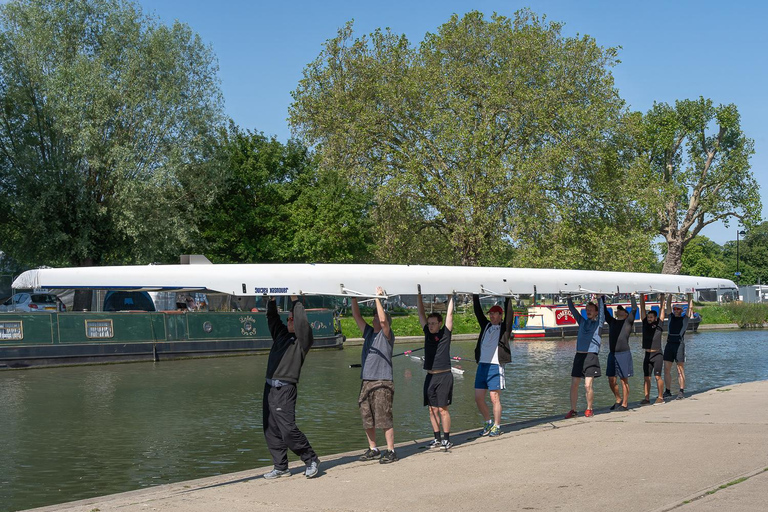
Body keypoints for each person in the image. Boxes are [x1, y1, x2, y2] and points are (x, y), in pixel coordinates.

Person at [262, 295, 320, 479]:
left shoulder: (303, 341)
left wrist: (295, 301)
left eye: (292, 319)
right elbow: (272, 319)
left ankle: (311, 459)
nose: (289, 322)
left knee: (287, 429)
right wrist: (271, 301)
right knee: (271, 429)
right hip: (269, 388)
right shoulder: (281, 335)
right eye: (288, 319)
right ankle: (281, 467)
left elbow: (302, 323)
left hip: (285, 389)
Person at [352, 287, 397, 463]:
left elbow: (384, 321)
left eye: (376, 316)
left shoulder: (386, 335)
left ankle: (391, 450)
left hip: (382, 381)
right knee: (367, 416)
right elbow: (357, 317)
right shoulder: (370, 333)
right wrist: (353, 298)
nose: (374, 318)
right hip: (366, 381)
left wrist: (377, 298)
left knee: (384, 417)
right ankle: (373, 448)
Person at [417, 288, 455, 450]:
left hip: (443, 376)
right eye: (429, 323)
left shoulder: (445, 334)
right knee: (432, 409)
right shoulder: (427, 333)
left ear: (439, 324)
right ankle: (437, 438)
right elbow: (420, 313)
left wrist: (451, 298)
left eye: (434, 323)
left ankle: (446, 439)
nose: (431, 326)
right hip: (430, 377)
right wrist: (418, 295)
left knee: (442, 409)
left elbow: (450, 316)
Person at [472, 294, 513, 437]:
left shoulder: (505, 329)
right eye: (491, 314)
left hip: (496, 366)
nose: (492, 317)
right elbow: (478, 312)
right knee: (478, 397)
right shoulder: (486, 326)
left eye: (495, 314)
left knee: (494, 397)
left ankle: (497, 425)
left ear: (501, 316)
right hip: (482, 365)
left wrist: (508, 298)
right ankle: (488, 422)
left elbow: (510, 316)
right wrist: (475, 296)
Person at [565, 295, 605, 418]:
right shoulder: (582, 321)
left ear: (596, 312)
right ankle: (573, 410)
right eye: (587, 309)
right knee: (574, 384)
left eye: (591, 309)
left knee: (587, 385)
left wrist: (599, 299)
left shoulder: (599, 323)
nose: (588, 311)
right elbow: (572, 310)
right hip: (579, 356)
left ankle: (589, 408)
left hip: (591, 356)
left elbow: (602, 311)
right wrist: (569, 298)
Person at [603, 295, 637, 411]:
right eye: (618, 310)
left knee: (624, 380)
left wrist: (632, 296)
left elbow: (634, 309)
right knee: (611, 380)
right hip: (612, 354)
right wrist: (601, 298)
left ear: (626, 314)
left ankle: (625, 404)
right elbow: (604, 311)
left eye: (621, 309)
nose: (618, 310)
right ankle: (618, 399)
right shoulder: (612, 321)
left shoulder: (628, 321)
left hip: (624, 354)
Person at [663, 293, 694, 400]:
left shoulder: (684, 319)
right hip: (669, 344)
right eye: (674, 309)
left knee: (680, 369)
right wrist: (670, 294)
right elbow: (667, 306)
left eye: (678, 309)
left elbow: (690, 308)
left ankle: (681, 391)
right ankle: (667, 391)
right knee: (666, 369)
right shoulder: (671, 317)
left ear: (681, 311)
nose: (676, 310)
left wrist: (690, 296)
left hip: (679, 344)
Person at [640, 293, 666, 404]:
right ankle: (646, 398)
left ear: (655, 318)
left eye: (651, 317)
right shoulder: (645, 323)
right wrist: (641, 295)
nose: (649, 319)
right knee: (647, 378)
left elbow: (662, 311)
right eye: (648, 317)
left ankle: (660, 397)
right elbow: (642, 308)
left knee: (657, 376)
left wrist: (662, 298)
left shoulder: (659, 325)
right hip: (647, 355)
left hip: (657, 355)